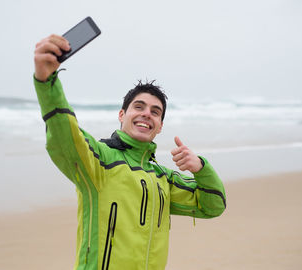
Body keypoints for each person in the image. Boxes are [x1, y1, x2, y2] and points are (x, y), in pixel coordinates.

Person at [33, 34, 226, 270]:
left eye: (155, 112)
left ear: (160, 126)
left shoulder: (163, 179)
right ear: (122, 115)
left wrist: (201, 168)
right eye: (139, 106)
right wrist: (47, 82)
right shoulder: (99, 159)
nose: (147, 114)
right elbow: (65, 133)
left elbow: (213, 205)